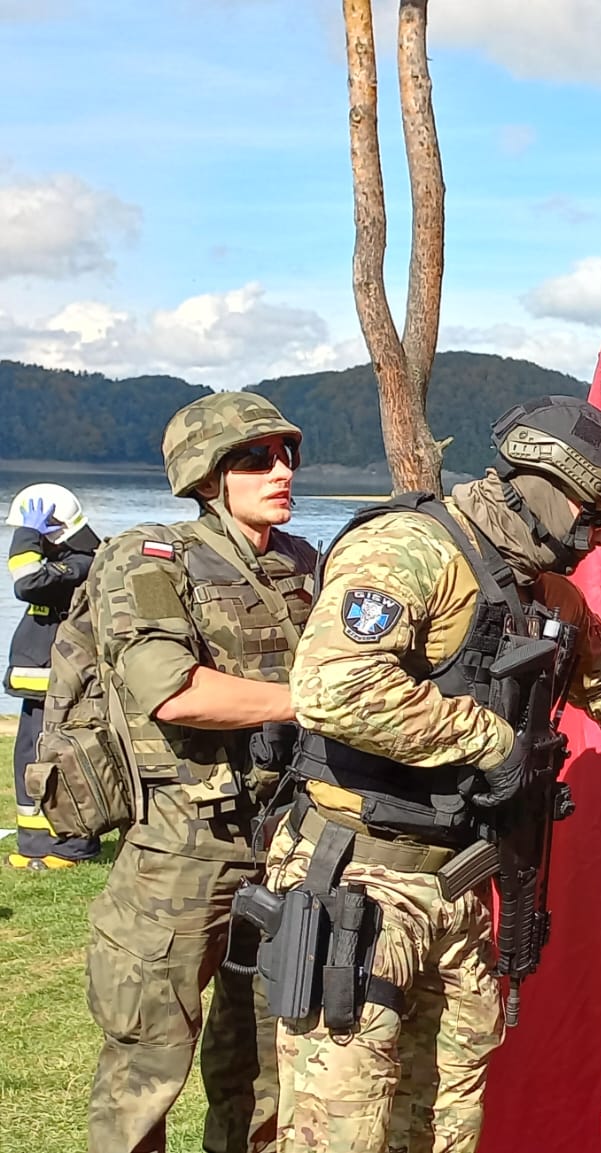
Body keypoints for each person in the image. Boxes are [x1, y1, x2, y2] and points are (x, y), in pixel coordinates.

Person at [272, 396, 601, 1153]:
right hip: (360, 879)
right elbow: (333, 687)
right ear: (545, 486)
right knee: (339, 1132)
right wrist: (491, 741)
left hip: (458, 885)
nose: (599, 535)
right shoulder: (412, 550)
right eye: (594, 513)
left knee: (445, 1128)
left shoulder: (546, 597)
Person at [85, 393, 317, 1153]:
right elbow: (172, 690)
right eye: (255, 458)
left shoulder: (304, 565)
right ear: (206, 476)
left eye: (286, 454)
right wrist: (317, 698)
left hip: (291, 845)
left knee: (266, 1065)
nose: (280, 471)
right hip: (182, 852)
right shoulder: (150, 558)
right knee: (145, 1069)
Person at [8, 482, 102, 868]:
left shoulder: (82, 564)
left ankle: (74, 845)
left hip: (64, 689)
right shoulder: (65, 563)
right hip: (41, 689)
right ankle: (34, 845)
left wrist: (26, 536)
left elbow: (27, 582)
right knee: (29, 760)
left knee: (65, 764)